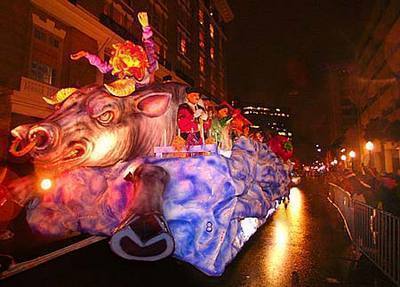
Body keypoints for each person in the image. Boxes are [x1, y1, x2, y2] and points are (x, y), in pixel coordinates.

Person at [70, 12, 157, 93]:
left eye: (128, 70)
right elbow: (104, 67)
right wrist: (86, 55)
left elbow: (149, 43)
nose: (125, 74)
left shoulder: (149, 63)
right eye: (124, 71)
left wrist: (146, 27)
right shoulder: (122, 67)